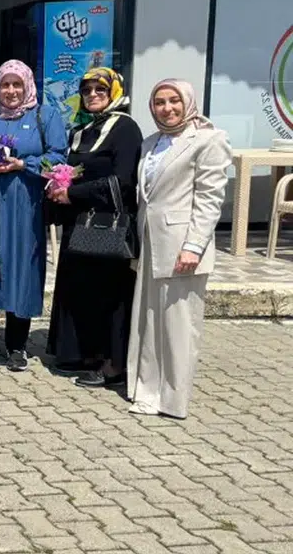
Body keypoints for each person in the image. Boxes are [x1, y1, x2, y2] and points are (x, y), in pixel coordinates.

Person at [127, 80, 230, 419]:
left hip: (182, 246)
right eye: (159, 102)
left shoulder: (208, 140)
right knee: (149, 320)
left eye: (174, 101)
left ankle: (173, 400)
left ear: (187, 103)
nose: (166, 108)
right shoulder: (151, 142)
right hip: (150, 243)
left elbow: (209, 198)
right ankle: (146, 390)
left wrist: (194, 246)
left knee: (179, 326)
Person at [0, 60, 68, 371]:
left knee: (22, 268)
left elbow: (58, 157)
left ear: (27, 86)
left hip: (24, 205)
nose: (10, 91)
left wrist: (23, 165)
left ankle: (17, 345)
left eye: (17, 84)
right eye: (5, 84)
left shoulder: (45, 116)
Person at [45, 68, 143, 386]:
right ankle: (83, 354)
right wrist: (57, 185)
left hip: (108, 225)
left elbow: (123, 181)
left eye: (100, 90)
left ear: (114, 92)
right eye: (87, 90)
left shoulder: (125, 128)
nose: (92, 96)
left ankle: (113, 365)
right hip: (80, 223)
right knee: (82, 290)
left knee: (109, 294)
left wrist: (72, 193)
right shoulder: (82, 129)